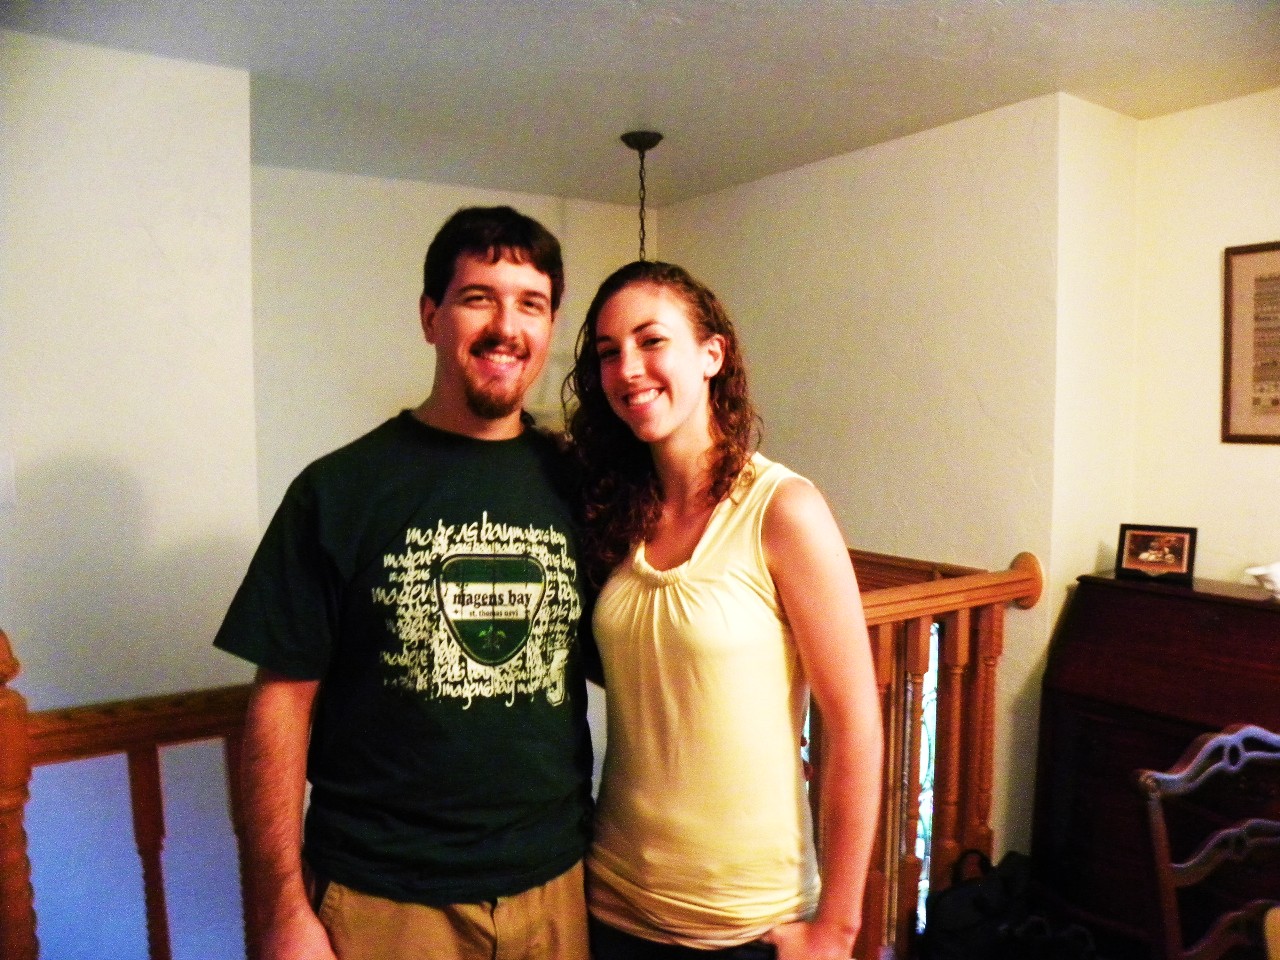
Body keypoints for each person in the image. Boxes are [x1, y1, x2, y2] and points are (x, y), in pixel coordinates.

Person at [214, 206, 593, 960]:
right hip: (382, 900)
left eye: (531, 304)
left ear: (551, 327)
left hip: (556, 888)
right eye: (478, 297)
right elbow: (280, 706)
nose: (506, 326)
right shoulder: (337, 491)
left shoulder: (580, 486)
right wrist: (282, 909)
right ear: (430, 316)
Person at [565, 260, 884, 960]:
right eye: (609, 352)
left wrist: (838, 928)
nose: (628, 368)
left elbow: (855, 726)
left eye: (652, 340)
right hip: (612, 900)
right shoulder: (614, 514)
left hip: (747, 924)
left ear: (713, 355)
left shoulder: (783, 510)